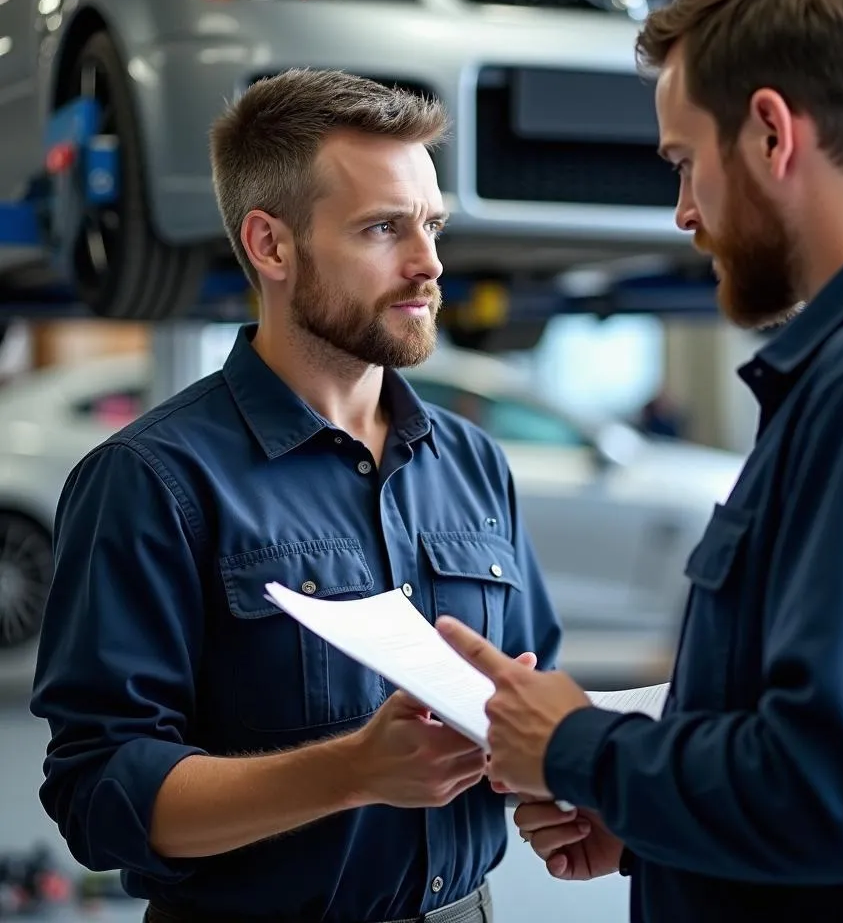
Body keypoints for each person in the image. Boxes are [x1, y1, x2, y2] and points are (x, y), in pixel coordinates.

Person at [435, 0, 843, 923]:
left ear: (767, 134)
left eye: (682, 163)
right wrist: (653, 818)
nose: (681, 212)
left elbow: (840, 793)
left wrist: (576, 745)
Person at [30, 69, 561, 923]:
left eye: (431, 225)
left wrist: (567, 784)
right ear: (272, 246)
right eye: (384, 228)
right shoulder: (152, 481)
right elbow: (101, 797)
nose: (428, 264)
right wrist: (351, 770)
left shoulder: (473, 464)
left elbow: (532, 697)